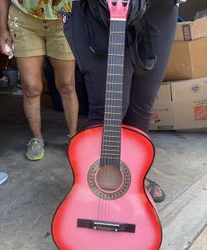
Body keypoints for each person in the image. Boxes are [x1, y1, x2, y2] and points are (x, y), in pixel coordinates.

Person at [63, 0, 179, 202]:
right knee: (108, 107)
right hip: (100, 8)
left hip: (160, 7)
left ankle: (134, 177)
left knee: (141, 104)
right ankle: (97, 185)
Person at [0, 0, 79, 160]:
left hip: (63, 18)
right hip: (23, 18)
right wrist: (2, 28)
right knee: (31, 87)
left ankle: (74, 137)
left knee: (67, 85)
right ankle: (37, 138)